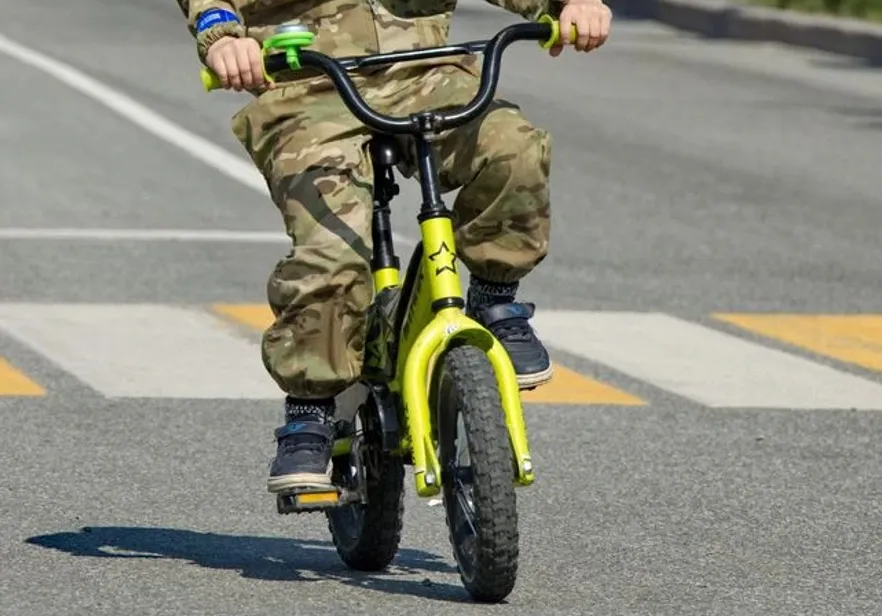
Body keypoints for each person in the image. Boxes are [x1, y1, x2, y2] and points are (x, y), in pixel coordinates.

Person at [175, 0, 611, 497]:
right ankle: (310, 410)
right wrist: (222, 36)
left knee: (513, 150)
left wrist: (569, 4)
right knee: (330, 254)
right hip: (305, 85)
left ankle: (495, 299)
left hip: (426, 70)